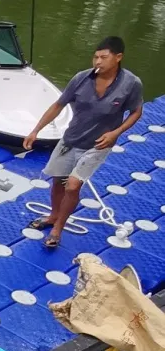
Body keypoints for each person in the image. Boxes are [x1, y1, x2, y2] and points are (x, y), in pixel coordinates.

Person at [23, 36, 142, 248]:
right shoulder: (81, 78)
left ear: (118, 57)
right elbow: (58, 105)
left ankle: (58, 228)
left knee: (72, 185)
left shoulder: (131, 84)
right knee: (58, 181)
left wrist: (116, 132)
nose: (98, 62)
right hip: (70, 139)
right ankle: (52, 216)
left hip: (97, 145)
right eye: (95, 57)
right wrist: (35, 131)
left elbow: (136, 112)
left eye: (104, 57)